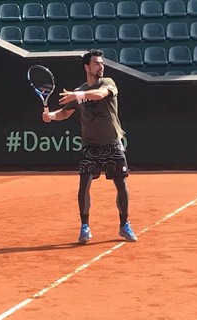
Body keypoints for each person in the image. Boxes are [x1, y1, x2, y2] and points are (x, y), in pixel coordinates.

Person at [42, 49, 137, 243]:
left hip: (112, 143)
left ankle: (124, 225)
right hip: (90, 146)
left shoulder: (108, 83)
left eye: (102, 63)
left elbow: (100, 95)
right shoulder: (79, 92)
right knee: (84, 185)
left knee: (121, 185)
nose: (101, 66)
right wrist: (51, 116)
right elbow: (65, 113)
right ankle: (85, 227)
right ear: (87, 67)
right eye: (97, 63)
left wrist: (78, 95)